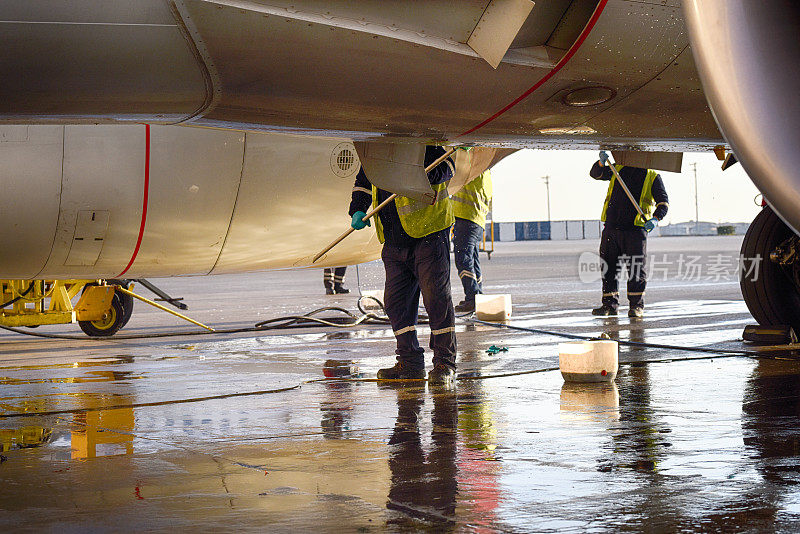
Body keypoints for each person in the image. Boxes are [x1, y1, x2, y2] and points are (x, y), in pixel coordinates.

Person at [349, 146, 457, 384]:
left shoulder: (423, 145)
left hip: (429, 232)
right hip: (394, 239)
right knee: (397, 304)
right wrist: (357, 208)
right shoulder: (375, 151)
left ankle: (444, 363)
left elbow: (448, 168)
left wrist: (418, 176)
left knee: (436, 299)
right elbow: (364, 180)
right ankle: (409, 362)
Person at [590, 151, 669, 317]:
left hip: (635, 230)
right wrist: (601, 163)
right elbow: (595, 174)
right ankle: (609, 306)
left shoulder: (651, 175)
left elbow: (663, 203)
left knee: (636, 270)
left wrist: (655, 219)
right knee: (608, 268)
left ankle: (636, 307)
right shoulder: (617, 169)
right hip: (612, 228)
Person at [451, 170, 492, 313]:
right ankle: (476, 295)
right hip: (476, 221)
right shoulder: (486, 174)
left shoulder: (475, 168)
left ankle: (472, 297)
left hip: (466, 217)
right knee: (473, 260)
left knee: (463, 258)